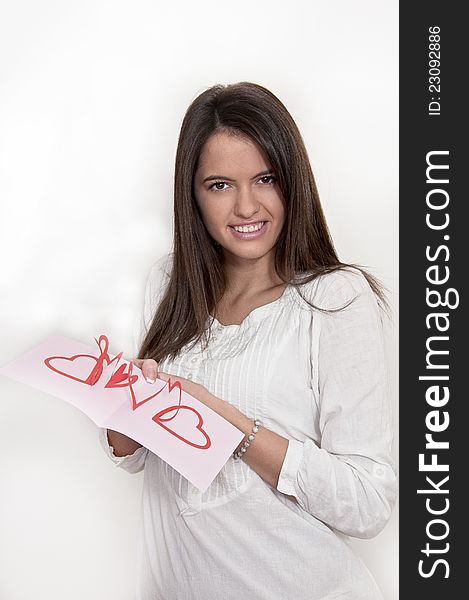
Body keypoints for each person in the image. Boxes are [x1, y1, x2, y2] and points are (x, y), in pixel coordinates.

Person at [100, 81, 398, 600]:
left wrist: (229, 422)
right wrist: (124, 412)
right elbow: (142, 459)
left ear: (293, 182)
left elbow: (368, 503)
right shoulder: (169, 287)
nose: (245, 206)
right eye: (219, 185)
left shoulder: (335, 300)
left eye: (265, 178)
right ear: (191, 194)